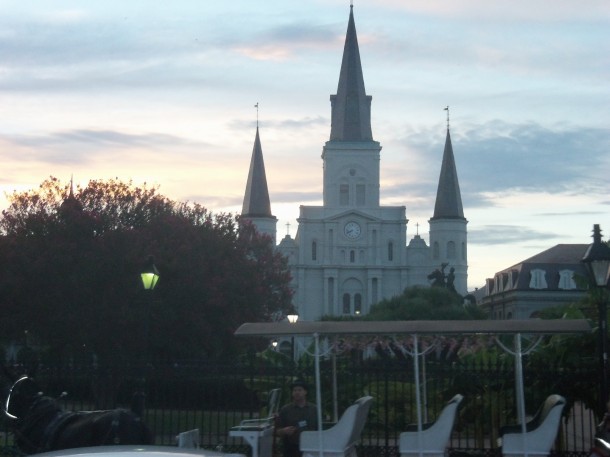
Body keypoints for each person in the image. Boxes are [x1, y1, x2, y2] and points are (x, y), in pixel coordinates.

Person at [275, 379, 318, 457]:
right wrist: (283, 431)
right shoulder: (285, 410)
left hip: (311, 447)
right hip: (291, 448)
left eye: (299, 390)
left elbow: (320, 428)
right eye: (294, 390)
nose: (297, 392)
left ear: (305, 392)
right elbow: (277, 431)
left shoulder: (314, 409)